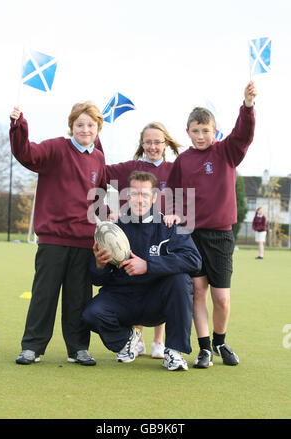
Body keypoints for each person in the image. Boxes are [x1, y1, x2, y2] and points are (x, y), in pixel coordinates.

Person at [166, 81, 257, 368]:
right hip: (191, 235)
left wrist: (248, 105)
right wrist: (174, 213)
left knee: (221, 298)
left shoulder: (227, 152)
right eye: (196, 131)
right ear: (188, 132)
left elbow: (243, 134)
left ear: (215, 131)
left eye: (206, 130)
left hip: (220, 235)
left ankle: (220, 341)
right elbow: (173, 195)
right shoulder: (182, 160)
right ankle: (204, 348)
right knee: (199, 291)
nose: (201, 135)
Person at [10, 101, 108, 366]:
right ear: (71, 126)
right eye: (79, 124)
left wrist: (109, 223)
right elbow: (26, 154)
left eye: (90, 125)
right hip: (53, 239)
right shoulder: (55, 148)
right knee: (44, 295)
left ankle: (78, 348)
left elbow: (99, 196)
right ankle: (32, 347)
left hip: (84, 240)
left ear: (98, 128)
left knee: (79, 298)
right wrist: (19, 126)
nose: (85, 129)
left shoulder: (99, 158)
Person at [82, 171, 202, 371]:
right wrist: (99, 265)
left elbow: (194, 260)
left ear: (154, 197)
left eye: (145, 194)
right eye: (134, 194)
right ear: (127, 196)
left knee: (180, 280)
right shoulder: (113, 229)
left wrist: (148, 265)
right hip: (123, 298)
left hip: (157, 300)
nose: (139, 199)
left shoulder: (169, 225)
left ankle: (173, 351)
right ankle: (127, 339)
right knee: (91, 314)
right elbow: (98, 280)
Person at [96, 122, 181, 359]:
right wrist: (108, 210)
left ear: (166, 143)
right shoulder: (129, 167)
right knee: (137, 279)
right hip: (134, 231)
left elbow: (187, 196)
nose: (153, 146)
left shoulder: (175, 168)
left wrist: (178, 215)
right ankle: (138, 338)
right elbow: (98, 169)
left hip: (163, 233)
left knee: (160, 279)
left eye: (157, 142)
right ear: (141, 144)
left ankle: (159, 341)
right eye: (148, 142)